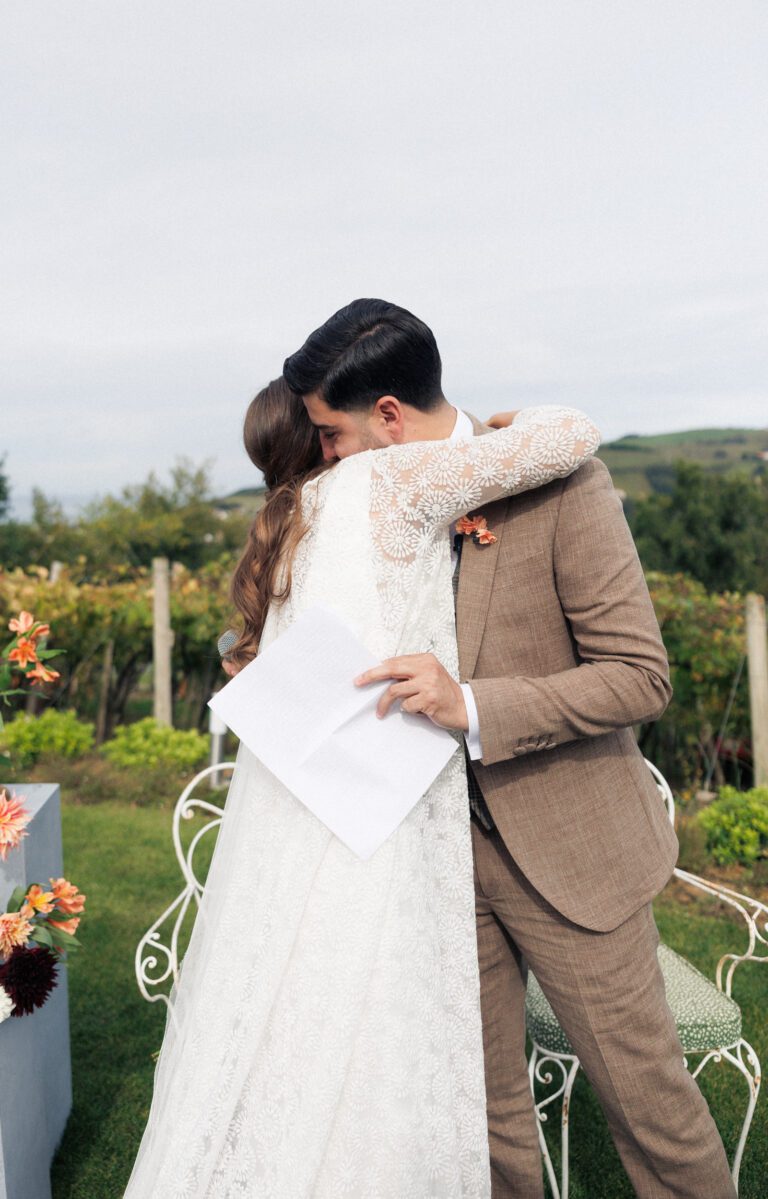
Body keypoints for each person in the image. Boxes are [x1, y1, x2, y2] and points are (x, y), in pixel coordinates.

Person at [281, 298, 738, 1199]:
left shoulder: (561, 482)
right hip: (433, 859)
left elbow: (641, 675)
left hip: (570, 852)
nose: (325, 458)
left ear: (388, 417)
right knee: (482, 1119)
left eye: (331, 435)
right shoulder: (367, 506)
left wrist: (472, 703)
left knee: (649, 1110)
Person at [123, 372, 598, 1197]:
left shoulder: (289, 521)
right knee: (389, 1022)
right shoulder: (377, 480)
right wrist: (518, 418)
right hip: (394, 805)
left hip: (304, 815)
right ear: (324, 441)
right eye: (330, 430)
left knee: (302, 1021)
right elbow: (570, 436)